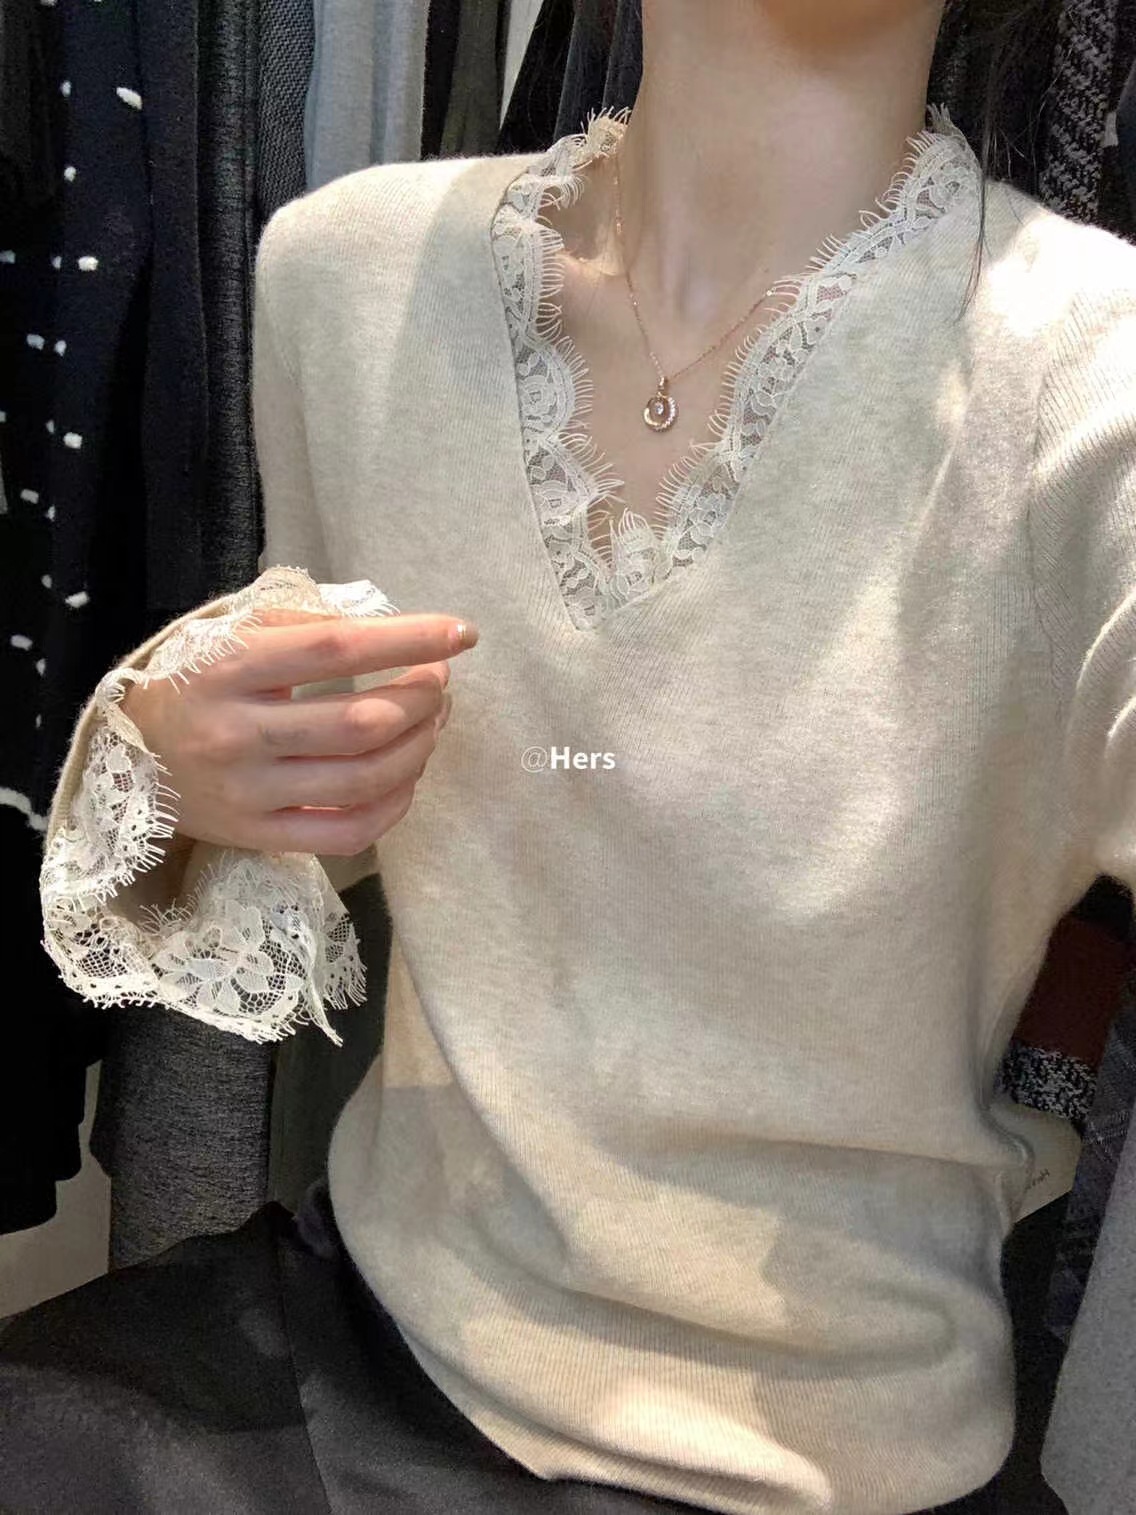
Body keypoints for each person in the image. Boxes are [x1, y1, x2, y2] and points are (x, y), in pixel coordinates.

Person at [4, 0, 1136, 1511]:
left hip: (833, 1446)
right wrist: (156, 757)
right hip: (364, 1334)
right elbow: (327, 830)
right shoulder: (346, 275)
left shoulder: (1095, 385)